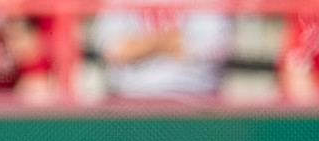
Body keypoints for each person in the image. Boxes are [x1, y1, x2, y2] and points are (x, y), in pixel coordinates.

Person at [90, 7, 232, 100]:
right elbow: (115, 50)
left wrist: (140, 45)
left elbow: (209, 46)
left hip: (195, 101)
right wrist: (169, 39)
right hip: (129, 102)